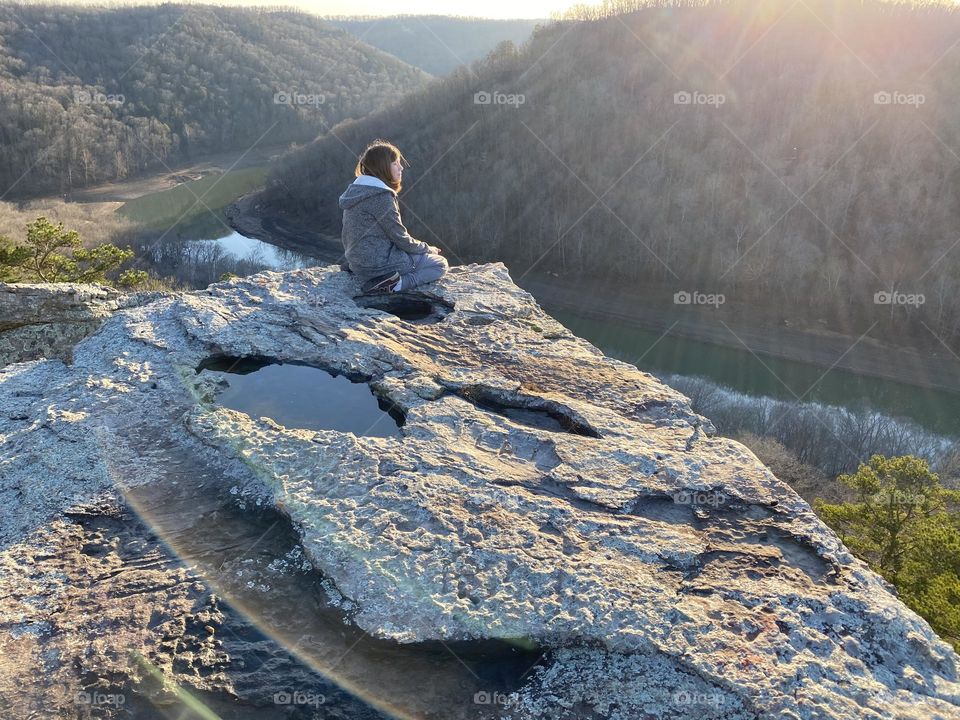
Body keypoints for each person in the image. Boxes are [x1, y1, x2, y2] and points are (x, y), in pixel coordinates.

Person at [338, 140, 449, 294]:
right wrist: (426, 248)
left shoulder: (356, 191)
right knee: (440, 264)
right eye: (396, 163)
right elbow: (400, 238)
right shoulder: (381, 196)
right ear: (383, 167)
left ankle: (380, 275)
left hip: (356, 263)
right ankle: (397, 284)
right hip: (379, 265)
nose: (401, 167)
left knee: (416, 255)